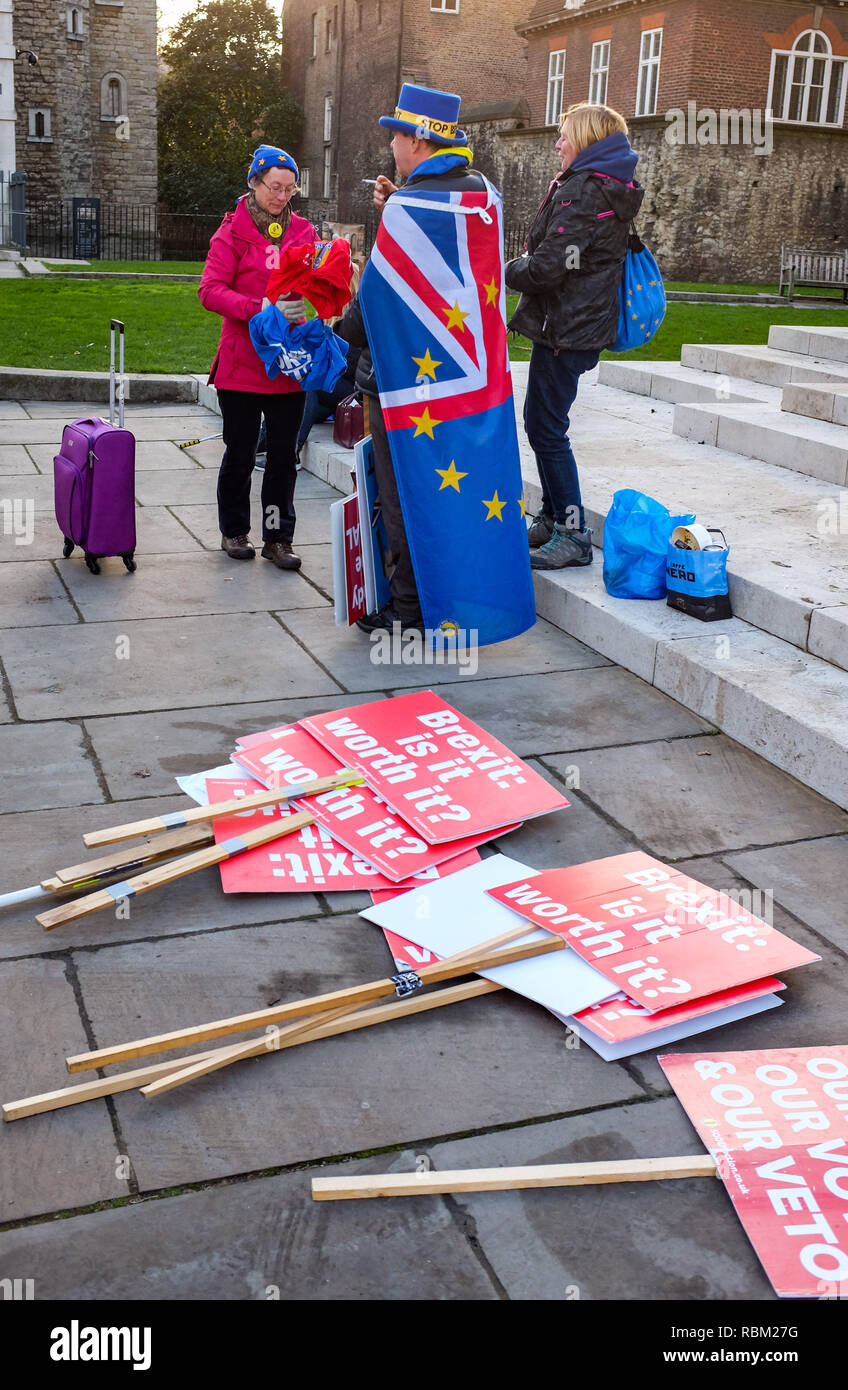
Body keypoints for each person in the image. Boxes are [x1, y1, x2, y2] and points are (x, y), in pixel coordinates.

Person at [334, 84, 490, 634]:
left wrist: (335, 330)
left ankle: (409, 609)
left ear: (419, 140)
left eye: (397, 133)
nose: (392, 144)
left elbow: (378, 294)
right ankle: (456, 599)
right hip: (460, 381)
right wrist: (397, 203)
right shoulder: (477, 194)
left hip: (400, 381)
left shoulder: (412, 204)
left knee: (402, 497)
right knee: (449, 493)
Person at [505, 103, 644, 570]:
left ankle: (573, 532)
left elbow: (550, 265)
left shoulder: (584, 190)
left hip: (567, 328)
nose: (558, 143)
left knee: (546, 427)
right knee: (542, 423)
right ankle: (551, 516)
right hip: (576, 325)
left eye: (564, 136)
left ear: (584, 141)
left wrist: (504, 271)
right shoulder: (604, 187)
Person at [198, 144, 316, 570]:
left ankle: (277, 538)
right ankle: (235, 533)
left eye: (289, 189)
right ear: (254, 182)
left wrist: (333, 280)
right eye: (274, 187)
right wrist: (258, 309)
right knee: (241, 453)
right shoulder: (230, 232)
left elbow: (309, 288)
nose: (282, 196)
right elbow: (209, 291)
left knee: (284, 458)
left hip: (288, 364)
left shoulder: (303, 231)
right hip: (243, 363)